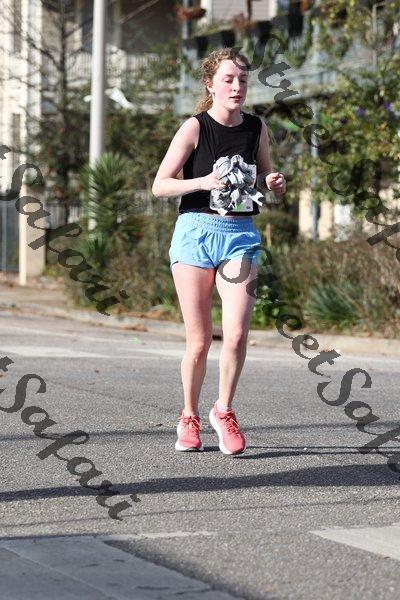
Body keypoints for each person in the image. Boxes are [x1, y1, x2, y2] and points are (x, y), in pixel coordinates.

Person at [152, 47, 285, 455]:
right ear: (210, 84)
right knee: (199, 341)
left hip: (239, 235)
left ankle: (223, 409)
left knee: (238, 333)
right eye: (228, 79)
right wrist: (203, 181)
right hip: (195, 234)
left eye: (243, 80)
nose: (237, 87)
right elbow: (160, 184)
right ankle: (188, 416)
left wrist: (273, 181)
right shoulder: (195, 127)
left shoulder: (256, 127)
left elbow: (264, 172)